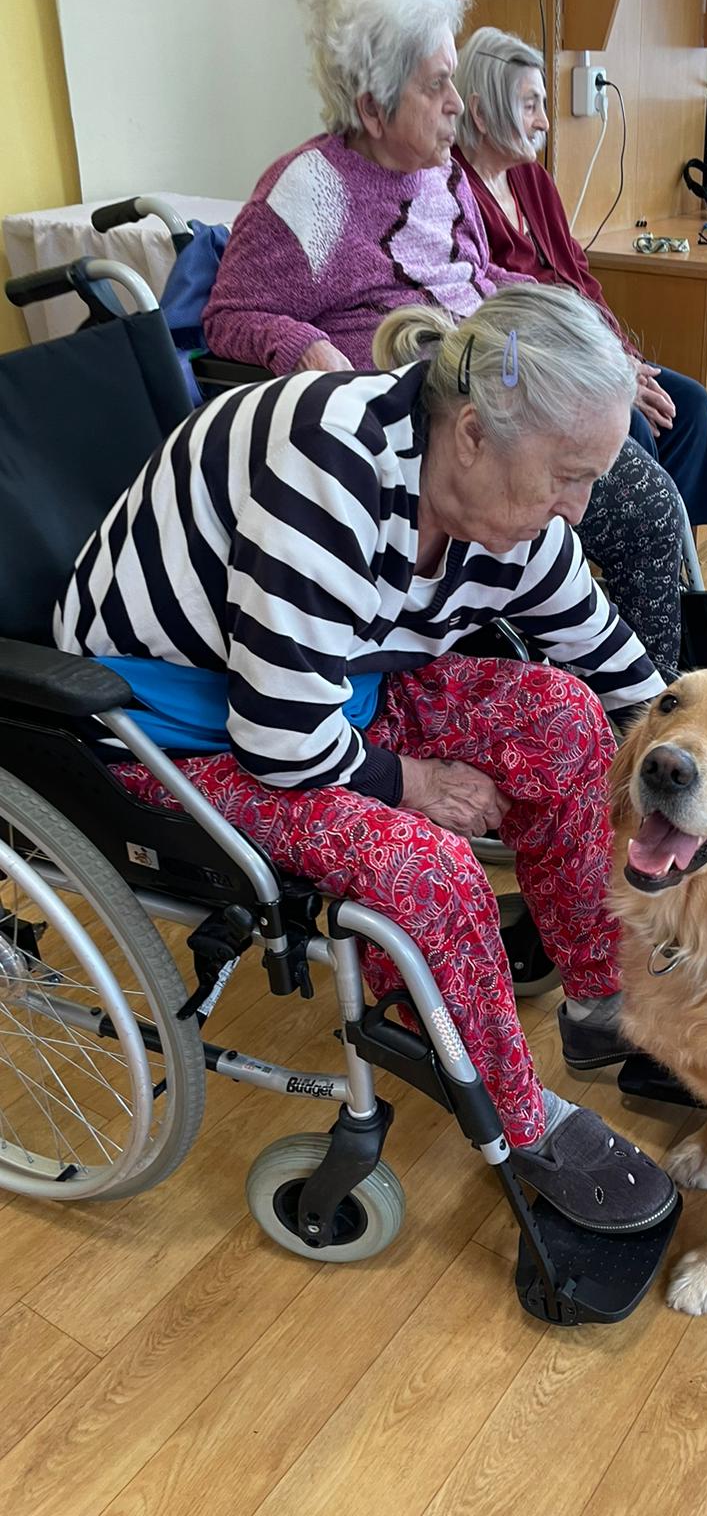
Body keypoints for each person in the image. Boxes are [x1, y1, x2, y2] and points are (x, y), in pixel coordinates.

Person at [55, 284, 675, 1235]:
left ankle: (601, 1002)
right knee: (427, 867)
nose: (577, 510)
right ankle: (517, 1123)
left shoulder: (511, 514)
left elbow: (609, 658)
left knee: (567, 724)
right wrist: (412, 785)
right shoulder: (330, 463)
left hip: (329, 689)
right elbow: (279, 740)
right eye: (567, 476)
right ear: (473, 434)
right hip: (166, 727)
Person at [203, 0, 686, 673]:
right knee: (643, 502)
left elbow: (480, 276)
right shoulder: (310, 192)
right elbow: (228, 316)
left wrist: (590, 352)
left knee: (660, 431)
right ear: (373, 107)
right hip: (430, 434)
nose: (458, 103)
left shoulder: (443, 174)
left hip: (501, 385)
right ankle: (640, 700)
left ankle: (645, 683)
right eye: (437, 87)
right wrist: (301, 346)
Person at [453, 26, 707, 528]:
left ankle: (678, 560)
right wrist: (611, 377)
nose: (544, 121)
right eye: (530, 105)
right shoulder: (456, 192)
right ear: (481, 113)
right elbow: (503, 321)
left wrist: (624, 358)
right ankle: (630, 562)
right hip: (538, 374)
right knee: (634, 429)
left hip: (592, 355)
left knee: (689, 407)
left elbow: (579, 276)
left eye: (543, 104)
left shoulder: (532, 180)